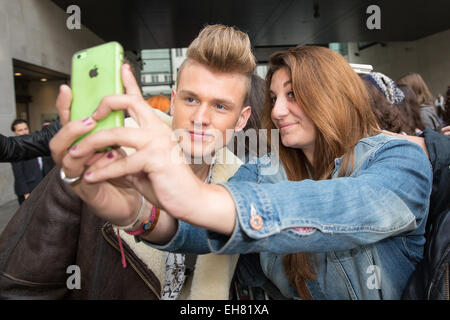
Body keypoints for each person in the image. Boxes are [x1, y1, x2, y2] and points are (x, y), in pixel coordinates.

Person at [52, 45, 432, 300]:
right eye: (273, 98)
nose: (279, 111)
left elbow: (344, 206)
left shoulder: (399, 159)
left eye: (294, 94)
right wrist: (138, 213)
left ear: (333, 94)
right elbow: (200, 229)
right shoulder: (265, 166)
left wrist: (196, 196)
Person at [0, 24, 255, 300]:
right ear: (173, 100)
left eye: (220, 106)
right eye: (191, 99)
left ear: (241, 120)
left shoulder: (244, 187)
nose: (201, 118)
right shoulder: (97, 165)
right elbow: (22, 287)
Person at [9, 119, 45, 204]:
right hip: (28, 190)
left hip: (39, 186)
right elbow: (18, 174)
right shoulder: (14, 148)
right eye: (20, 130)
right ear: (14, 132)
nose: (24, 132)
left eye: (26, 129)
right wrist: (26, 193)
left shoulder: (32, 143)